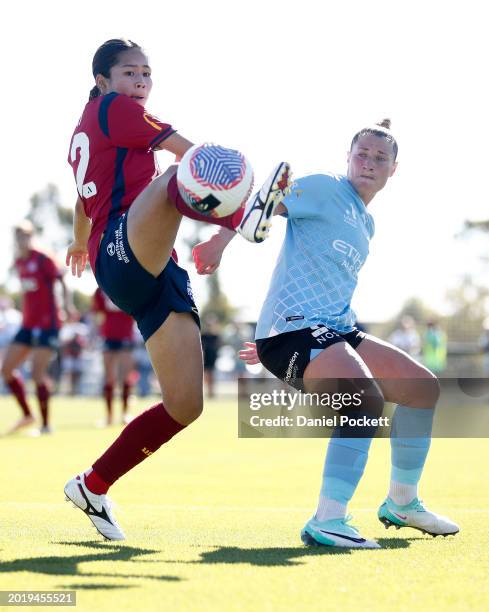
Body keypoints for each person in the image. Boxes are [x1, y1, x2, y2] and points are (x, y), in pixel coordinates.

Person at [63, 38, 292, 540]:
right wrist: (243, 203)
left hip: (150, 272)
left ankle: (93, 484)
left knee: (185, 405)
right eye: (129, 72)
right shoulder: (110, 108)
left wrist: (79, 243)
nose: (140, 81)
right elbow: (187, 155)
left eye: (146, 73)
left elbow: (83, 200)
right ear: (103, 81)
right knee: (179, 175)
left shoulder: (93, 125)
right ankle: (248, 216)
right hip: (123, 253)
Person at [193, 119, 459, 549]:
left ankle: (402, 503)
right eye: (362, 154)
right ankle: (328, 519)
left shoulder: (365, 222)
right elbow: (263, 205)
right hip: (294, 330)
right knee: (364, 399)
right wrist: (220, 243)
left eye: (380, 158)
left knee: (423, 388)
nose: (369, 163)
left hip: (334, 329)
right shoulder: (324, 187)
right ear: (348, 158)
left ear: (394, 169)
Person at [1, 221, 71, 434]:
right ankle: (27, 415)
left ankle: (45, 424)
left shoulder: (43, 258)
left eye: (25, 235)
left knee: (37, 373)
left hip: (48, 324)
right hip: (28, 325)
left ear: (32, 236)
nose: (22, 239)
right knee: (6, 371)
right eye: (18, 235)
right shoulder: (19, 262)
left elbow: (62, 281)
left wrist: (67, 306)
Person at [92, 288, 136, 425]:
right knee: (109, 377)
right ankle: (109, 417)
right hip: (108, 336)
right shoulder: (100, 290)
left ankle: (125, 414)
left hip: (126, 335)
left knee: (125, 377)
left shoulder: (128, 285)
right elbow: (98, 313)